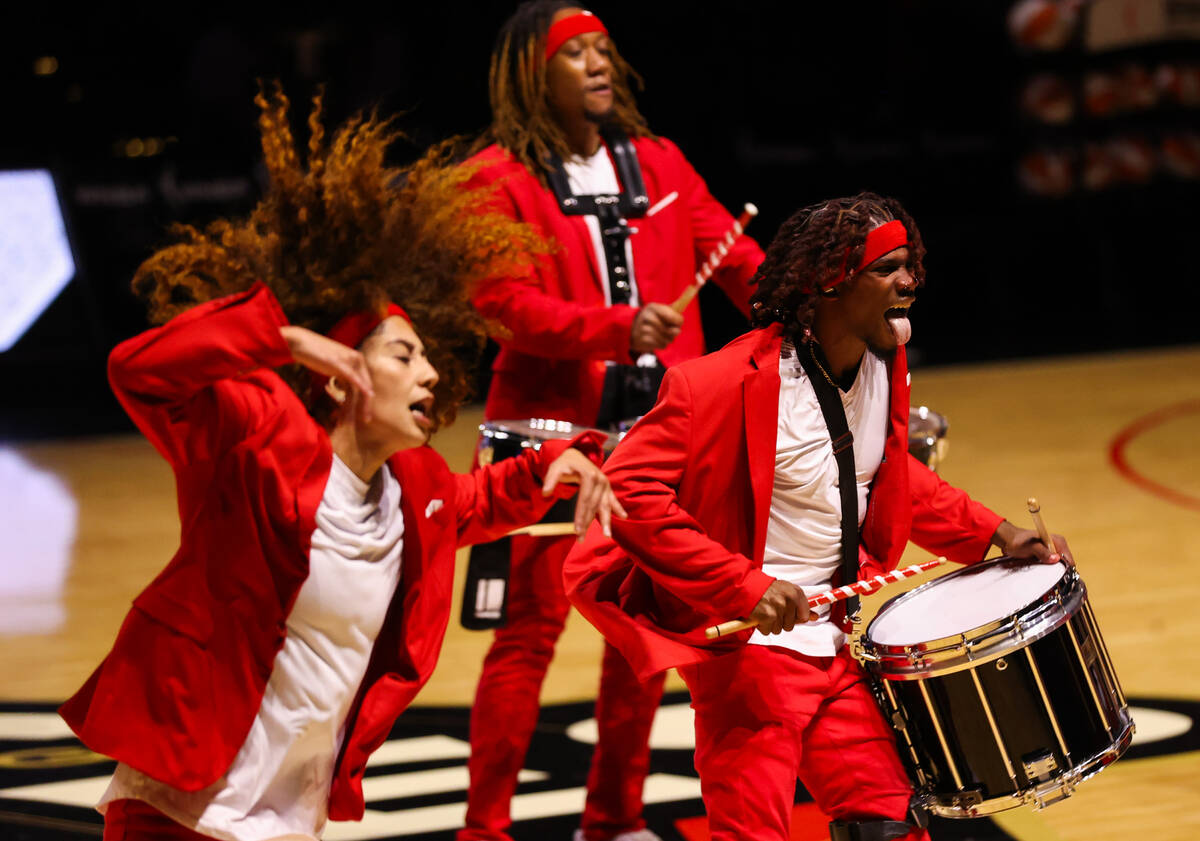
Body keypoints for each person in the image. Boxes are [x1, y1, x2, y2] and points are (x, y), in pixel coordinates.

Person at [57, 86, 625, 841]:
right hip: (179, 809)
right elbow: (140, 370)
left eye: (426, 356)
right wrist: (280, 338)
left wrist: (554, 461)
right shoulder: (253, 440)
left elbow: (477, 499)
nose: (429, 374)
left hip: (292, 820)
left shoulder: (412, 490)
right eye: (404, 353)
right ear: (338, 373)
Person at [563, 193, 1073, 841]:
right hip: (748, 662)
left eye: (910, 264)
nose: (911, 281)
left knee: (893, 826)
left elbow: (885, 476)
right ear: (832, 281)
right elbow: (629, 494)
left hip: (833, 646)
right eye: (888, 268)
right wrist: (745, 586)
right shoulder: (717, 384)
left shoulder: (886, 362)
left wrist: (998, 534)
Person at [457, 4, 765, 841]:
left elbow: (735, 260)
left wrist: (805, 314)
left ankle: (613, 818)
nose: (597, 63)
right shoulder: (494, 178)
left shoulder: (658, 159)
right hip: (551, 440)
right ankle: (484, 828)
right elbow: (502, 306)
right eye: (575, 53)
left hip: (662, 439)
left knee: (645, 633)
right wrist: (614, 327)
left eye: (602, 49)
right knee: (528, 635)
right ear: (533, 73)